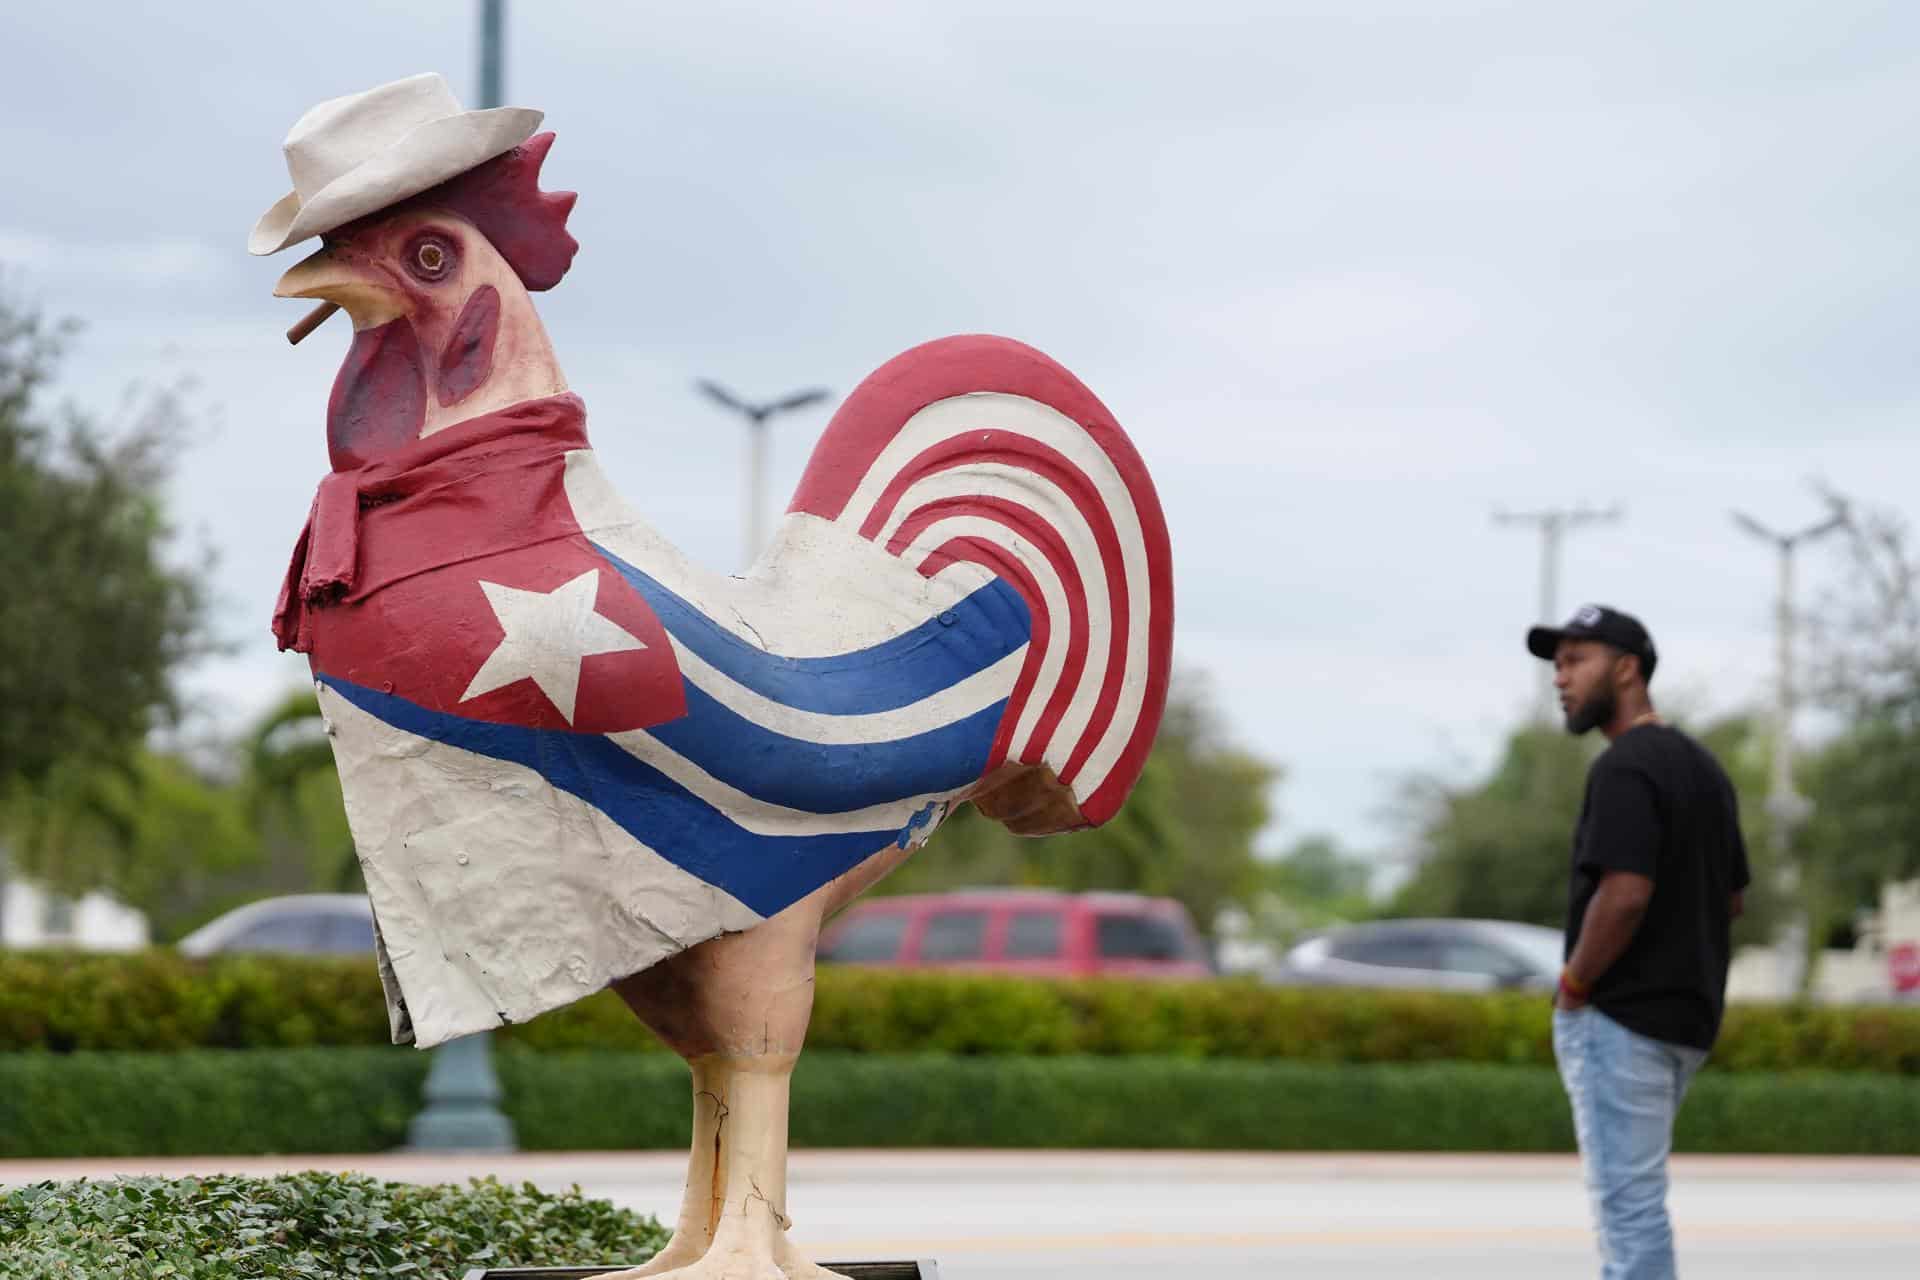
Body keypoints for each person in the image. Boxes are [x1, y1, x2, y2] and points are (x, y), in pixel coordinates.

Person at [1525, 604, 1751, 1280]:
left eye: (1576, 661)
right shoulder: (1704, 768)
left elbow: (1623, 894)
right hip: (1687, 1019)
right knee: (1637, 1203)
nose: (1560, 679)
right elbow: (1732, 897)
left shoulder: (1625, 768)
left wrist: (1574, 986)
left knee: (1629, 1211)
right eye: (1556, 665)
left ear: (1627, 668)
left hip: (1622, 1019)